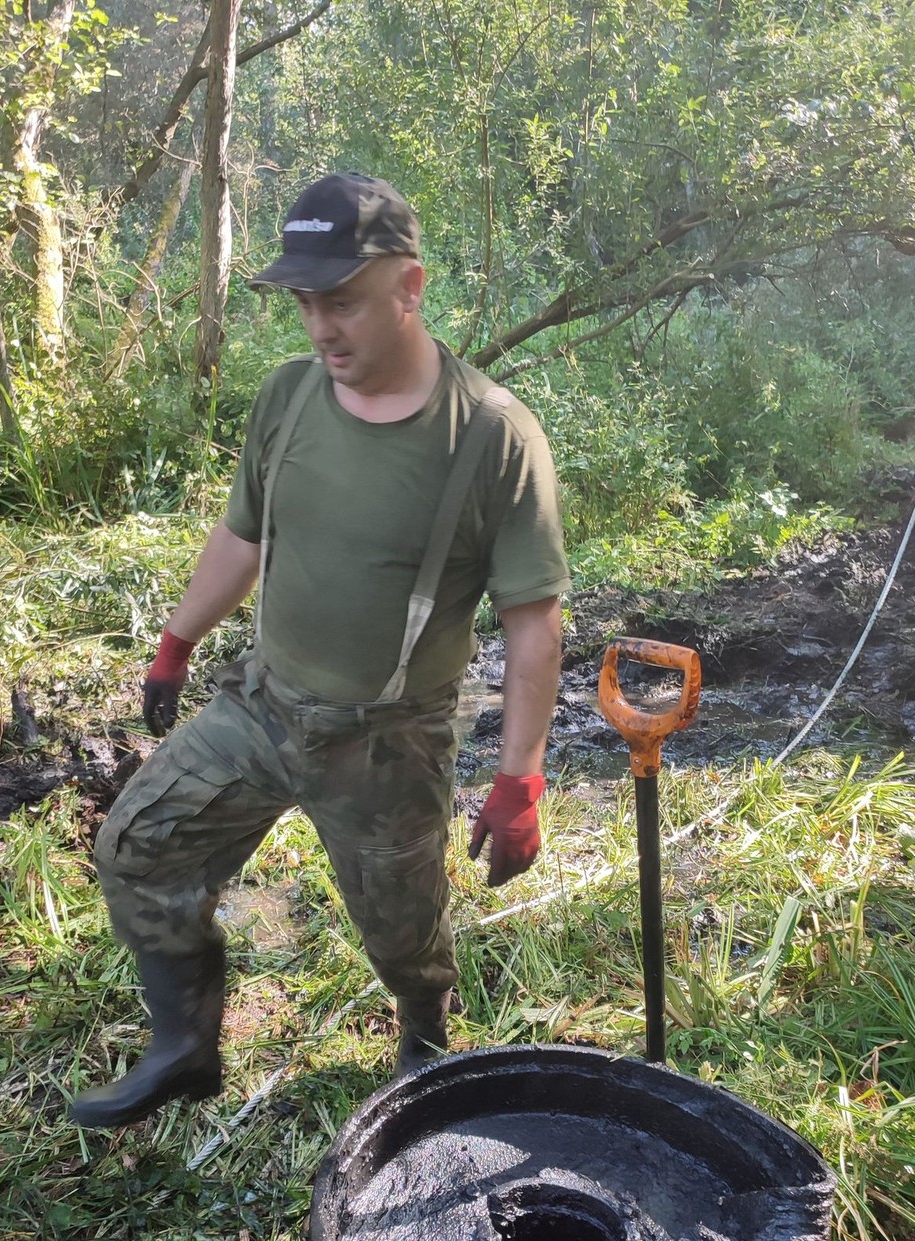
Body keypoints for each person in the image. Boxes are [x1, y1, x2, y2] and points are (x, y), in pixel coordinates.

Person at [70, 173, 568, 1130]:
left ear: (409, 287)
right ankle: (184, 1046)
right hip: (263, 707)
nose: (319, 327)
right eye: (304, 302)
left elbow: (533, 625)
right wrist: (176, 643)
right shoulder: (291, 397)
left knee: (402, 936)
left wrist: (520, 783)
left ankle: (425, 1041)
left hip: (387, 740)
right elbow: (244, 538)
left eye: (341, 300)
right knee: (138, 847)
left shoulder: (490, 436)